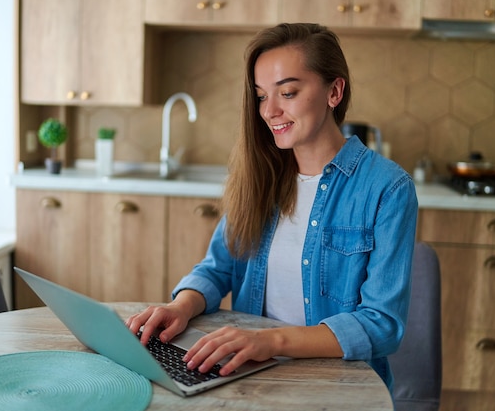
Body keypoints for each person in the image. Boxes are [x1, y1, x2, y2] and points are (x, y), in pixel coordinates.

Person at [126, 22, 418, 392]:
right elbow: (218, 269)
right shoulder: (260, 175)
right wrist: (181, 307)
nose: (270, 111)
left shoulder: (387, 189)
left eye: (288, 92)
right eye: (262, 96)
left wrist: (272, 341)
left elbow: (382, 324)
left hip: (336, 382)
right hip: (248, 372)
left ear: (335, 91)